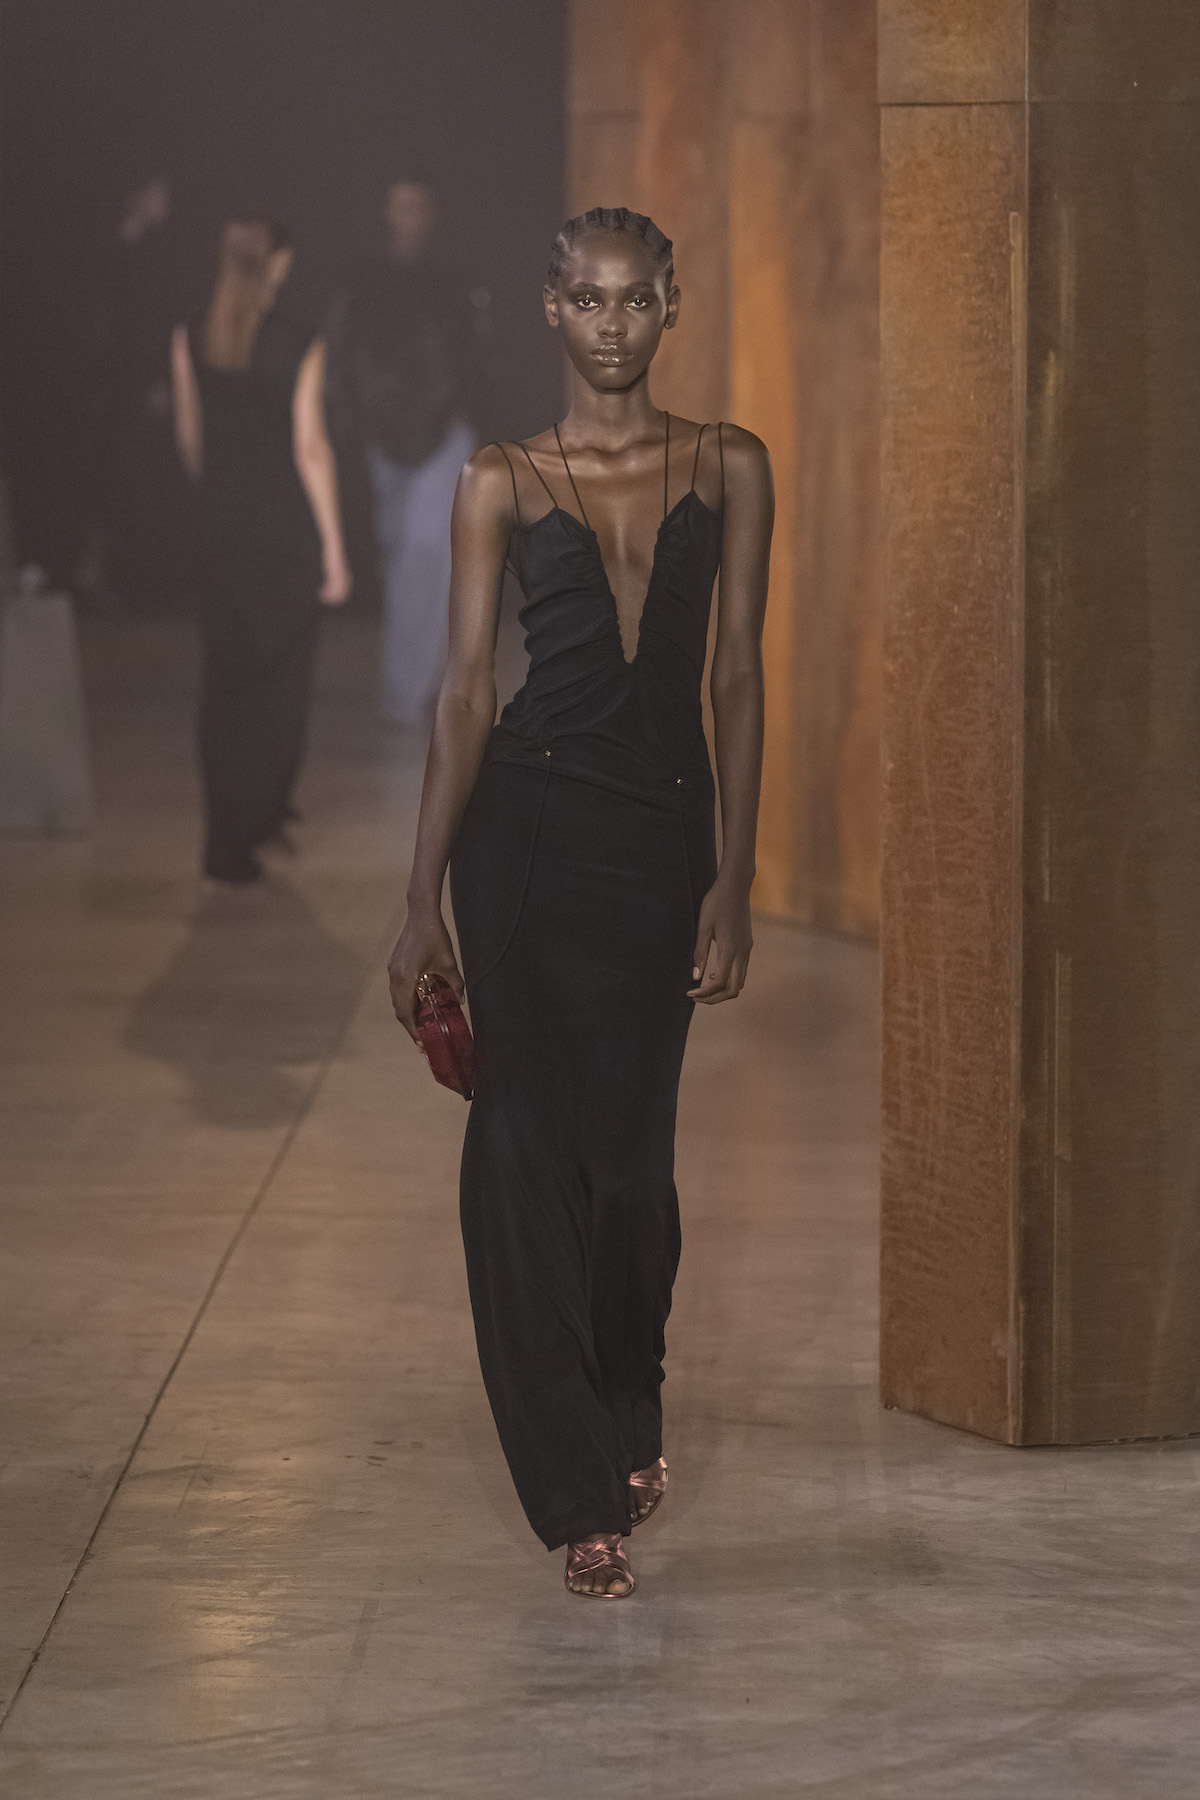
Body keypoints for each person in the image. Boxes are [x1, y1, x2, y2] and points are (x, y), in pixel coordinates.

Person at [387, 207, 773, 1598]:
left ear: (671, 306)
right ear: (552, 310)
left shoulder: (731, 464)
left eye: (636, 301)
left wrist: (735, 877)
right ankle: (574, 1492)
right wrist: (420, 898)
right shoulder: (497, 479)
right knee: (520, 1157)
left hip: (660, 848)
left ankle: (629, 1399)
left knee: (631, 1173)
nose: (613, 325)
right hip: (526, 843)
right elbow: (464, 693)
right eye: (589, 302)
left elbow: (737, 676)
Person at [170, 216, 351, 885]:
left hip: (219, 532)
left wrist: (220, 499)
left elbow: (191, 440)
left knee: (223, 688)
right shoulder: (297, 342)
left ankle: (227, 833)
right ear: (277, 264)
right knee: (280, 688)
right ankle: (260, 815)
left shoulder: (190, 337)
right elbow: (311, 449)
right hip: (283, 535)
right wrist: (334, 549)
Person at [325, 178, 490, 727]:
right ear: (382, 212)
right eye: (399, 204)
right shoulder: (360, 281)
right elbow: (340, 356)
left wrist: (465, 422)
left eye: (417, 204)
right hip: (382, 438)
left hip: (441, 433)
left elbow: (475, 358)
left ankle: (412, 691)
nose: (408, 215)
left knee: (428, 552)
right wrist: (355, 425)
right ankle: (415, 685)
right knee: (401, 553)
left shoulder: (453, 280)